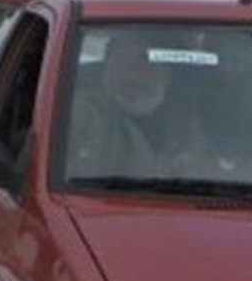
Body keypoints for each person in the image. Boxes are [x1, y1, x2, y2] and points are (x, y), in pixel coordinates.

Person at [67, 33, 209, 178]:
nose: (135, 75)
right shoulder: (80, 114)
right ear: (108, 68)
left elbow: (202, 173)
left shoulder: (184, 123)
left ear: (167, 75)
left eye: (147, 65)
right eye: (127, 64)